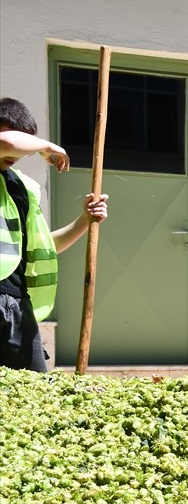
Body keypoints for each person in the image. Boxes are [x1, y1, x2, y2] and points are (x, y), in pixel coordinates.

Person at [1, 97, 109, 372]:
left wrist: (85, 219)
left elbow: (44, 247)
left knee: (34, 393)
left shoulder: (23, 186)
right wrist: (50, 147)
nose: (20, 150)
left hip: (16, 304)